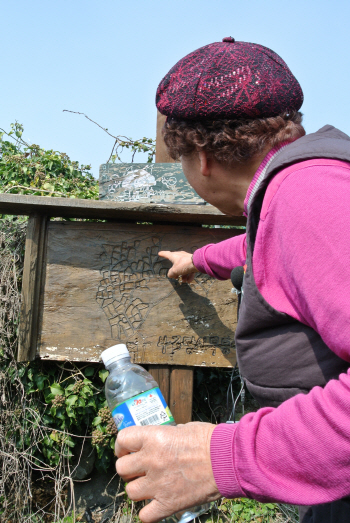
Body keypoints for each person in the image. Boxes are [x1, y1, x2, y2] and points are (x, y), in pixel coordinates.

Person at [115, 38, 350, 523]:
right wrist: (197, 259)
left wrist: (226, 457)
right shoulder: (298, 190)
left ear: (200, 158)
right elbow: (260, 247)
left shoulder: (308, 198)